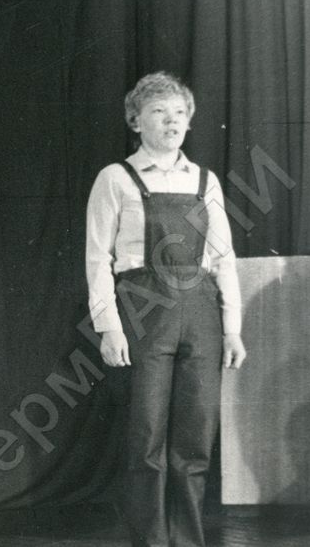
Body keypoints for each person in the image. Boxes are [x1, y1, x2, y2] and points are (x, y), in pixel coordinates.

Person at [86, 72, 247, 547]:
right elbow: (97, 259)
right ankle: (152, 541)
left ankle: (188, 540)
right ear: (136, 121)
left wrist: (232, 329)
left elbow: (223, 258)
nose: (171, 121)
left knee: (195, 439)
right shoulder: (116, 178)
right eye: (159, 112)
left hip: (201, 311)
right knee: (147, 437)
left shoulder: (205, 181)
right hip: (144, 308)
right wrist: (108, 326)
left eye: (179, 113)